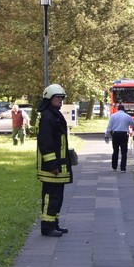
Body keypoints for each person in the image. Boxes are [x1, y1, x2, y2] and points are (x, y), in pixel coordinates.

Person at [36, 84, 73, 237]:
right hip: (51, 167)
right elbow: (46, 143)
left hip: (58, 165)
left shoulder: (54, 114)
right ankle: (47, 227)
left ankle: (54, 224)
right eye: (58, 97)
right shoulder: (47, 117)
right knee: (50, 196)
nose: (60, 100)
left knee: (57, 197)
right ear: (49, 98)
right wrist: (52, 165)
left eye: (62, 98)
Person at [104, 104, 134, 171]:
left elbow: (109, 126)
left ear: (117, 109)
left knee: (115, 151)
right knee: (124, 152)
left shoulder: (113, 116)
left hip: (115, 134)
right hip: (124, 134)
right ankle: (123, 168)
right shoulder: (127, 116)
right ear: (123, 109)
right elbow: (133, 123)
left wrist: (106, 135)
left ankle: (114, 166)